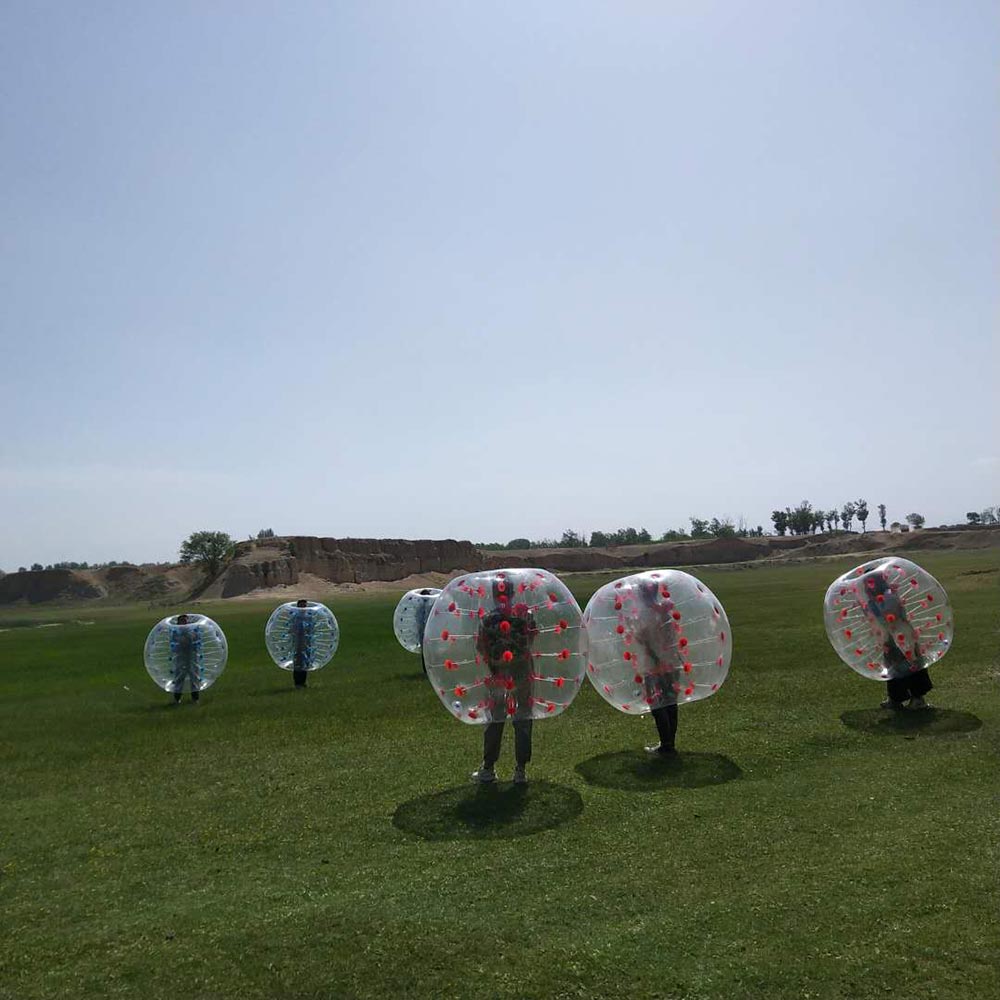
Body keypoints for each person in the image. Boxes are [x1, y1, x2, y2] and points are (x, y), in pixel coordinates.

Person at [471, 576, 538, 785]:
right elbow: (531, 639)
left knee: (495, 717)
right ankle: (520, 770)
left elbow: (481, 646)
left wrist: (495, 660)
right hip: (522, 672)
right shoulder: (526, 616)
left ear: (494, 594)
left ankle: (488, 767)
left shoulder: (488, 619)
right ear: (513, 593)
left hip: (497, 673)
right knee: (523, 716)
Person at [863, 571, 932, 710]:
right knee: (893, 667)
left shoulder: (889, 596)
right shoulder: (875, 600)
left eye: (869, 583)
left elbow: (890, 616)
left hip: (901, 635)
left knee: (911, 664)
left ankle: (918, 698)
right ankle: (895, 698)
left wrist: (873, 606)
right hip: (889, 637)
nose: (867, 588)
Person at [633, 580, 680, 756]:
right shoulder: (664, 611)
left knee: (658, 705)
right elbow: (671, 637)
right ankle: (669, 744)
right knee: (670, 703)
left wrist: (656, 659)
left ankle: (666, 746)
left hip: (655, 666)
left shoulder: (646, 614)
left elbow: (646, 642)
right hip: (672, 663)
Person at [169, 613, 201, 704]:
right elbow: (174, 645)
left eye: (185, 620)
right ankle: (177, 699)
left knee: (194, 678)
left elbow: (197, 642)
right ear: (178, 623)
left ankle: (195, 699)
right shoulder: (175, 632)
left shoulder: (193, 631)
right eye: (182, 621)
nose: (184, 622)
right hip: (181, 658)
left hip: (192, 658)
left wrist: (188, 638)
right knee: (179, 678)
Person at [413, 588, 435, 674]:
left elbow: (418, 621)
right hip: (427, 632)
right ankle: (429, 670)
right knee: (429, 652)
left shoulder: (420, 608)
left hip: (423, 632)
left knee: (425, 652)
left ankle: (427, 670)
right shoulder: (429, 607)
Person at [291, 599, 311, 688]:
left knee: (305, 663)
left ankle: (303, 682)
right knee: (298, 663)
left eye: (305, 606)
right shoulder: (295, 617)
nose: (303, 607)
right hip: (298, 643)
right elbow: (292, 630)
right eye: (301, 606)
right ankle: (297, 683)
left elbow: (311, 629)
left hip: (306, 643)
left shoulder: (309, 617)